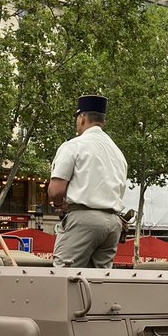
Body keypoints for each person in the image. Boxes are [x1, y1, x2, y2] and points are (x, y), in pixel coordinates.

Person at [48, 94, 128, 269]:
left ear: (82, 117)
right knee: (99, 281)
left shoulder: (74, 146)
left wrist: (59, 203)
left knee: (64, 276)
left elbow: (55, 190)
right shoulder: (117, 152)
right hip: (113, 223)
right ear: (103, 122)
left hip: (84, 219)